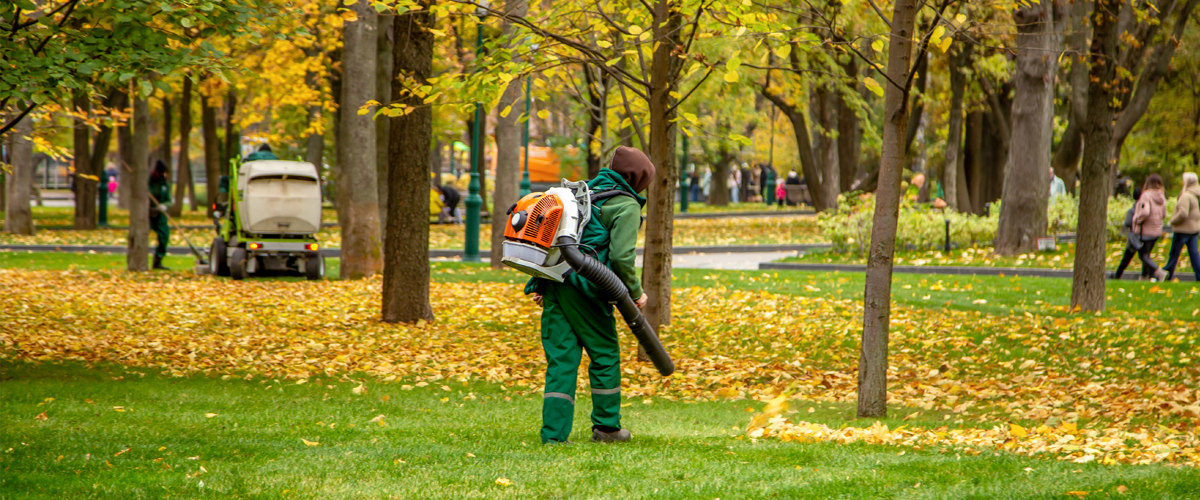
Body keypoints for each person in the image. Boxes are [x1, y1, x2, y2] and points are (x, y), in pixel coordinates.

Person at [526, 146, 653, 444]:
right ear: (638, 179)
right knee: (605, 354)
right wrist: (635, 292)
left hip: (555, 282)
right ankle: (607, 428)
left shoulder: (580, 193)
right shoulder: (626, 205)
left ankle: (554, 436)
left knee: (561, 360)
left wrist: (541, 284)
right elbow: (621, 258)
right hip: (587, 288)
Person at [1112, 174, 1168, 281]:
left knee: (1143, 256)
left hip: (1146, 231)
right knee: (1146, 255)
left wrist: (1137, 219)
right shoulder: (1161, 196)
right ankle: (1144, 277)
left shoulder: (1146, 195)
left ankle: (1159, 272)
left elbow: (1145, 211)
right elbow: (1164, 214)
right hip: (1156, 230)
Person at [1164, 172, 1200, 281]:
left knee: (1174, 254)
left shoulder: (1186, 195)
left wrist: (1172, 221)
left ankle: (1166, 274)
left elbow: (1183, 213)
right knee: (1194, 254)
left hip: (1183, 229)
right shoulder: (1196, 194)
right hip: (1194, 229)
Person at [149, 160, 172, 271]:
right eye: (163, 173)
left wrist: (164, 205)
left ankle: (158, 260)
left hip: (160, 214)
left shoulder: (165, 184)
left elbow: (169, 200)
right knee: (143, 236)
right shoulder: (147, 182)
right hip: (147, 214)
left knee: (164, 236)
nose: (165, 175)